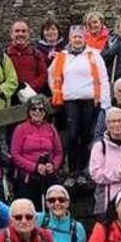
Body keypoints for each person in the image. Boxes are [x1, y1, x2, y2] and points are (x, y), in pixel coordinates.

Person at [49, 25, 111, 177]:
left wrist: (106, 103)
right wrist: (56, 91)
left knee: (87, 135)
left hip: (89, 100)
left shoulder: (94, 54)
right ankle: (73, 171)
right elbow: (51, 73)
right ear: (70, 39)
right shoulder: (62, 56)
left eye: (80, 37)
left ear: (85, 38)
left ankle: (86, 170)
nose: (77, 40)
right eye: (74, 37)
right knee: (72, 135)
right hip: (70, 101)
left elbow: (103, 78)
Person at [10, 95, 63, 207]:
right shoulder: (20, 128)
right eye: (33, 109)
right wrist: (34, 167)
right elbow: (15, 154)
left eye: (41, 109)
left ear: (45, 112)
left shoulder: (51, 128)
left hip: (48, 175)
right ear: (29, 111)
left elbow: (58, 152)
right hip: (28, 178)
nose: (37, 112)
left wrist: (53, 166)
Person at [6, 20, 48, 100]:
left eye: (23, 31)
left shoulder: (36, 54)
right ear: (11, 34)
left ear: (28, 34)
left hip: (32, 96)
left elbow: (43, 75)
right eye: (17, 31)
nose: (20, 34)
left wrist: (29, 87)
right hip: (11, 97)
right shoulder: (5, 55)